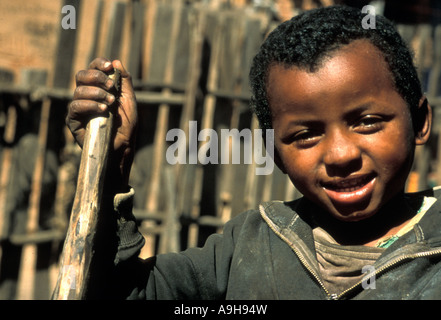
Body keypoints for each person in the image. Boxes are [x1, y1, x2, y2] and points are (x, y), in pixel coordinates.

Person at [66, 5, 441, 300]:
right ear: (275, 153)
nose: (340, 154)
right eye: (306, 135)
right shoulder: (245, 248)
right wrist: (111, 168)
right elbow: (122, 295)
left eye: (367, 122)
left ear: (420, 120)